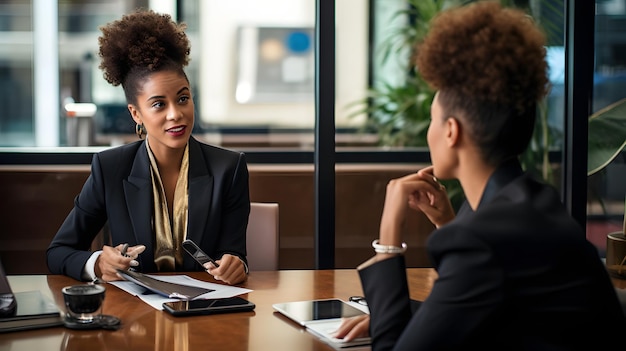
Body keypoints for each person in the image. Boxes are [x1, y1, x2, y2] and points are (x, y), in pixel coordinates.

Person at [335, 2, 626, 349]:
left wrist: (388, 241)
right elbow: (494, 304)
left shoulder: (484, 242)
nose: (429, 130)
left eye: (432, 119)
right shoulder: (534, 203)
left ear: (451, 132)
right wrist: (448, 223)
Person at [47, 9, 250, 285]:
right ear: (136, 114)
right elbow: (58, 252)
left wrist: (237, 265)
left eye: (182, 98)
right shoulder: (110, 169)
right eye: (158, 104)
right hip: (135, 317)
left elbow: (235, 254)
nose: (175, 114)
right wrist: (97, 264)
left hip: (207, 313)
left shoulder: (229, 168)